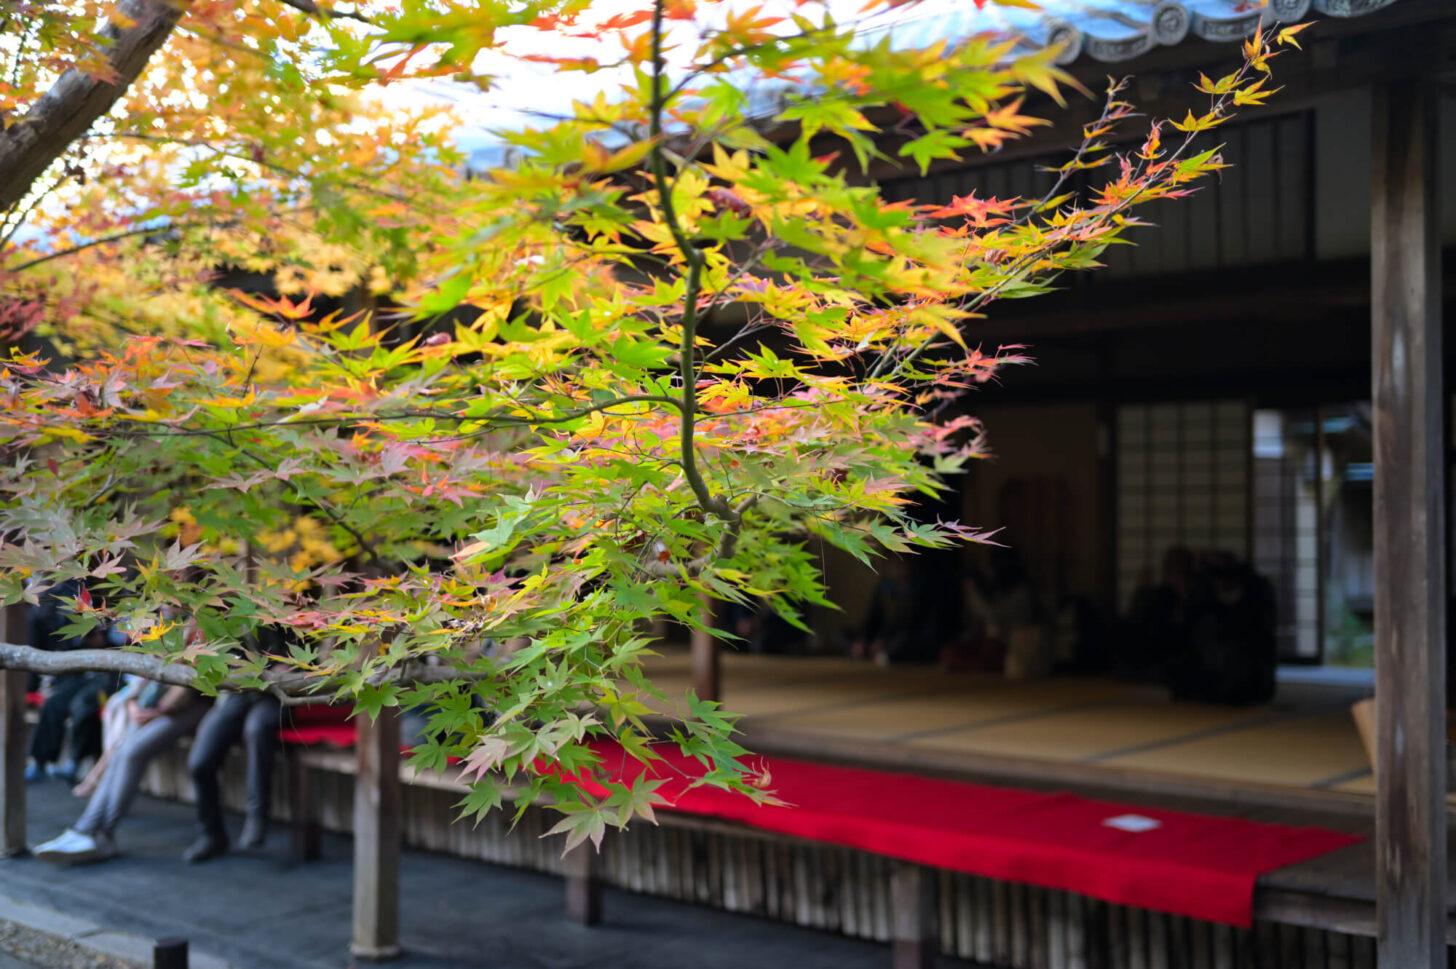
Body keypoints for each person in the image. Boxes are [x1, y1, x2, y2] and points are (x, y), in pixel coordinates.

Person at [33, 681, 210, 865]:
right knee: (119, 752)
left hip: (190, 702)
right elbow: (145, 670)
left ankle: (103, 834)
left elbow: (192, 685)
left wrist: (162, 708)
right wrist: (133, 703)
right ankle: (85, 829)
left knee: (130, 754)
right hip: (151, 700)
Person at [183, 623, 293, 862]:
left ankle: (257, 815)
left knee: (258, 728)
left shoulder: (283, 607)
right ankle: (211, 834)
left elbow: (302, 655)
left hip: (275, 693)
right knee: (200, 762)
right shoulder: (212, 614)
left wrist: (288, 668)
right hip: (234, 692)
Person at [26, 579, 121, 783]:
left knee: (83, 705)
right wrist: (30, 687)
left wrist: (98, 638)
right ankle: (40, 762)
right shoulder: (42, 606)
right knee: (53, 704)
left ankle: (75, 762)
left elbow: (105, 634)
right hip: (76, 672)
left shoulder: (79, 591)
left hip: (104, 673)